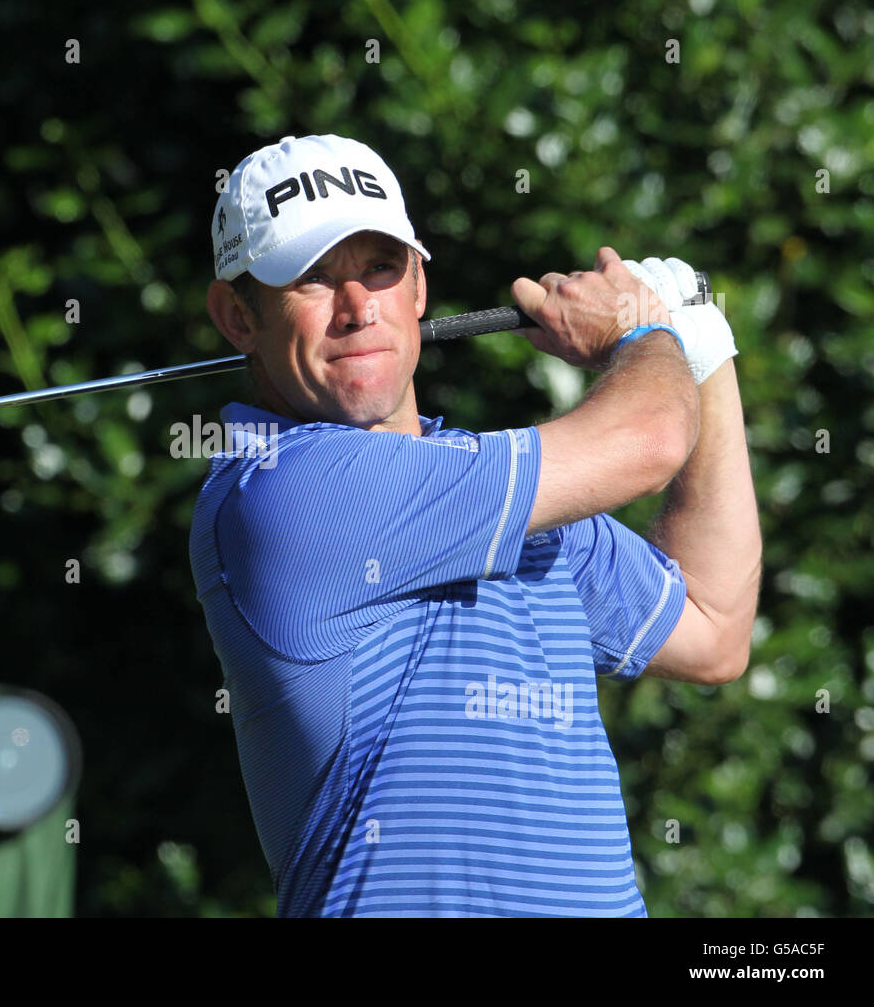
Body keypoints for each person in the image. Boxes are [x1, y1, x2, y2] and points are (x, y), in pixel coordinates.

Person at [188, 133, 761, 917]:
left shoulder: (500, 491)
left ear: (419, 287)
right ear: (236, 316)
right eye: (311, 280)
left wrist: (705, 352)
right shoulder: (280, 490)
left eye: (380, 269)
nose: (358, 309)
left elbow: (713, 626)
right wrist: (641, 334)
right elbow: (650, 440)